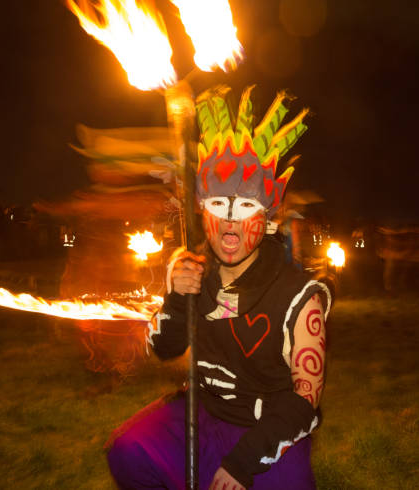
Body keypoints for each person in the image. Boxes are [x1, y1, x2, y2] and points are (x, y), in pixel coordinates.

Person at [106, 86, 332, 489]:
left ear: (267, 218)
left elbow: (305, 401)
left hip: (267, 427)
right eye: (218, 206)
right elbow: (163, 350)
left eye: (245, 207)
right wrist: (177, 297)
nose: (230, 223)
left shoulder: (301, 297)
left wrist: (244, 462)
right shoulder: (192, 269)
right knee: (128, 449)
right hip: (201, 412)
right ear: (201, 209)